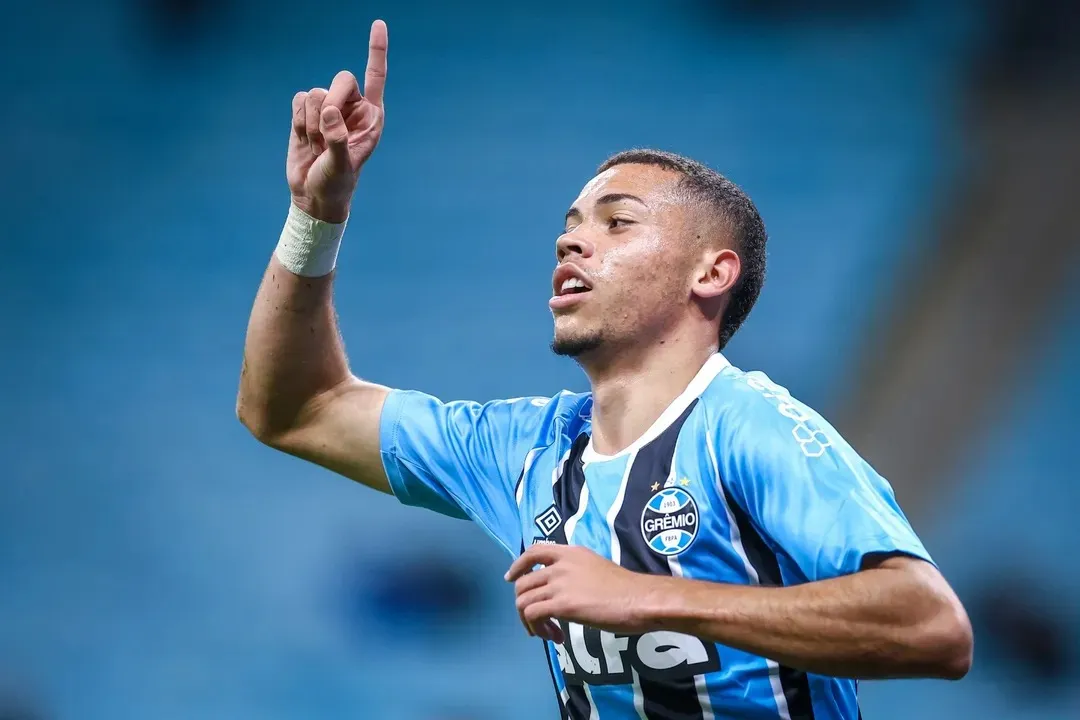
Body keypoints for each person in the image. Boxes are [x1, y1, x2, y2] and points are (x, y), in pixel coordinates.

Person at [237, 19, 973, 720]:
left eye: (617, 223)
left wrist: (644, 596)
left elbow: (933, 626)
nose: (571, 244)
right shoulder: (528, 451)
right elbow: (295, 409)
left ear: (711, 274)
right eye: (570, 227)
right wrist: (315, 216)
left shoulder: (747, 428)